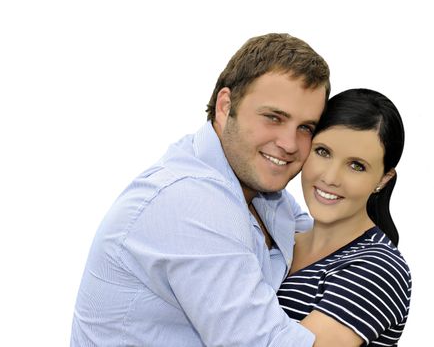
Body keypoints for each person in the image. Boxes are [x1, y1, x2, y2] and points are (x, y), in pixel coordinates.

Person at [71, 33, 330, 346]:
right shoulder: (190, 201)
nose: (289, 144)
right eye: (273, 117)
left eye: (306, 128)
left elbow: (331, 249)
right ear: (225, 106)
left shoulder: (265, 196)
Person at [277, 88, 411, 346]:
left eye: (356, 166)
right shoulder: (279, 239)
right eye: (323, 152)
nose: (330, 178)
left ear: (383, 179)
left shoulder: (378, 269)